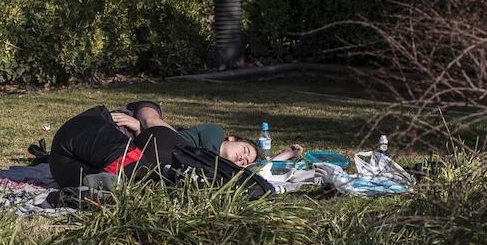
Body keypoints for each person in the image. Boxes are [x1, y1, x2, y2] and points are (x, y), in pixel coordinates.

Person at [49, 100, 303, 189]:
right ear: (232, 139)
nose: (242, 159)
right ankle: (113, 186)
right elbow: (159, 128)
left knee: (139, 175)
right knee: (139, 163)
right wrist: (143, 125)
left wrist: (281, 157)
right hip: (92, 132)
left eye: (246, 161)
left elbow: (250, 173)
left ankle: (100, 190)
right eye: (245, 151)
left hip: (70, 170)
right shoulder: (213, 135)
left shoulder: (204, 169)